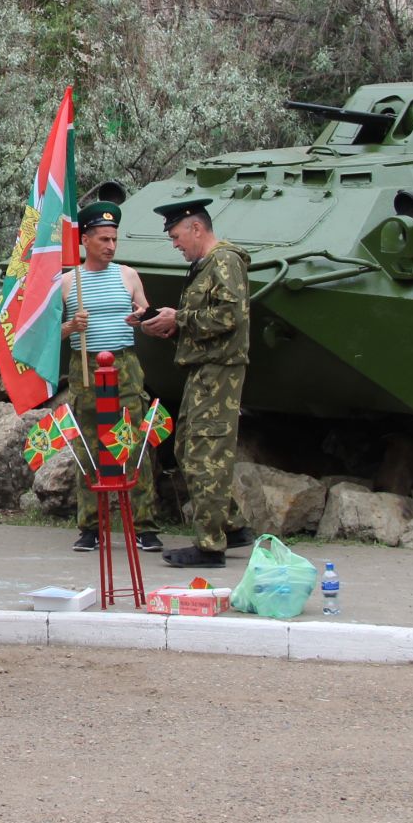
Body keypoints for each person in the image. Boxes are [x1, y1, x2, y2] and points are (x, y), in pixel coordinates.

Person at [139, 201, 255, 568]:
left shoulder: (224, 261)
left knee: (207, 453)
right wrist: (166, 323)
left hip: (219, 371)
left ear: (196, 229)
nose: (175, 244)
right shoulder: (204, 266)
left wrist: (181, 317)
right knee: (188, 448)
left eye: (176, 236)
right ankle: (231, 525)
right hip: (202, 370)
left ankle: (210, 545)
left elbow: (231, 315)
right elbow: (206, 322)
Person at [59, 201, 164, 554]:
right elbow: (47, 335)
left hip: (124, 365)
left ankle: (144, 525)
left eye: (114, 239)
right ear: (85, 240)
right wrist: (72, 326)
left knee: (134, 442)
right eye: (103, 239)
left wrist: (139, 316)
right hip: (85, 364)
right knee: (89, 445)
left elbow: (143, 311)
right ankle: (91, 527)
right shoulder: (68, 281)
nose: (110, 246)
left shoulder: (127, 275)